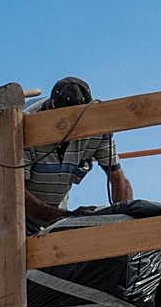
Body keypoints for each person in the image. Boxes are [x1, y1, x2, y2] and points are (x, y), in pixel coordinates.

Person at [21, 76, 134, 231]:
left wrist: (124, 217)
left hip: (54, 210)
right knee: (15, 250)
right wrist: (68, 218)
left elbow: (117, 177)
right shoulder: (25, 128)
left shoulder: (96, 127)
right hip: (13, 213)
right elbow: (16, 194)